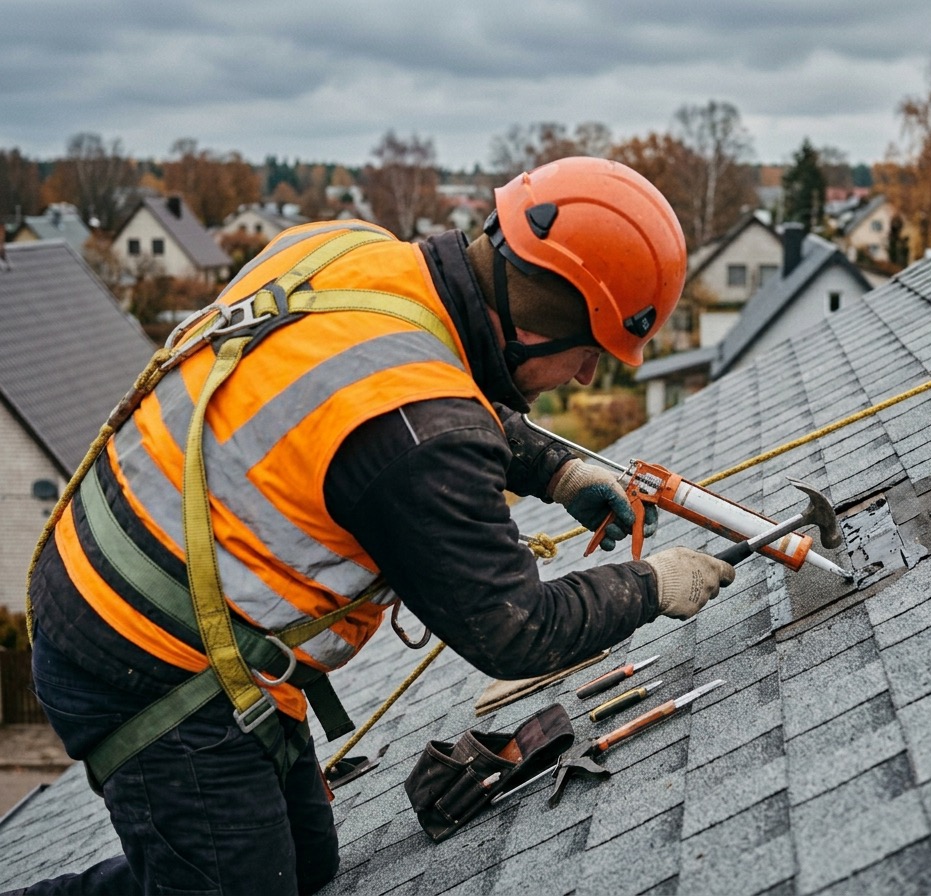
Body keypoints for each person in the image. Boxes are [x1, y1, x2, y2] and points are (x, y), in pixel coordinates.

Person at [12, 157, 734, 895]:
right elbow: (515, 627)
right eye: (587, 354)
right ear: (538, 320)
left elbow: (408, 383)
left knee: (303, 867)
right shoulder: (422, 431)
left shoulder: (352, 251)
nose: (585, 379)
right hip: (142, 656)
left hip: (130, 581)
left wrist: (555, 469)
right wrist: (650, 585)